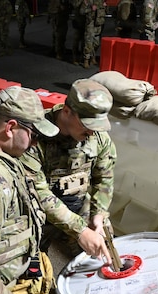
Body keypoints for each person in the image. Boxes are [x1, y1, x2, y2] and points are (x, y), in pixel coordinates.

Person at [0, 86, 112, 294]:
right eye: (33, 135)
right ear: (10, 128)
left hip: (13, 270)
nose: (35, 144)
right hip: (3, 284)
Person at [31, 79, 117, 256]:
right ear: (67, 111)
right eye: (88, 125)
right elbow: (38, 191)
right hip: (37, 210)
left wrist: (98, 217)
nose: (92, 132)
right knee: (30, 270)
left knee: (103, 245)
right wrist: (80, 231)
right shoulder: (34, 136)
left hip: (77, 204)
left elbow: (104, 179)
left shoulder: (98, 138)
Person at [82, 0, 106, 68]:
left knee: (96, 43)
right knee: (88, 43)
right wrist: (90, 9)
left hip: (98, 24)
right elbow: (82, 11)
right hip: (90, 24)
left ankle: (93, 56)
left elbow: (105, 12)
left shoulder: (101, 1)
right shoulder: (88, 1)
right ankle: (86, 60)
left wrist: (105, 7)